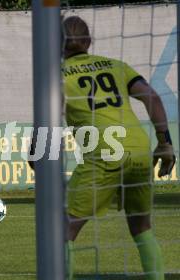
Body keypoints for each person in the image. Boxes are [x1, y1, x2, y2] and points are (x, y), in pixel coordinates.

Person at [62, 16, 175, 279]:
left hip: (104, 153)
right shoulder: (116, 66)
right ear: (89, 41)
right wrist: (165, 142)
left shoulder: (58, 77)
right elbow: (152, 97)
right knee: (141, 228)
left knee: (61, 232)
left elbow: (49, 116)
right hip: (139, 150)